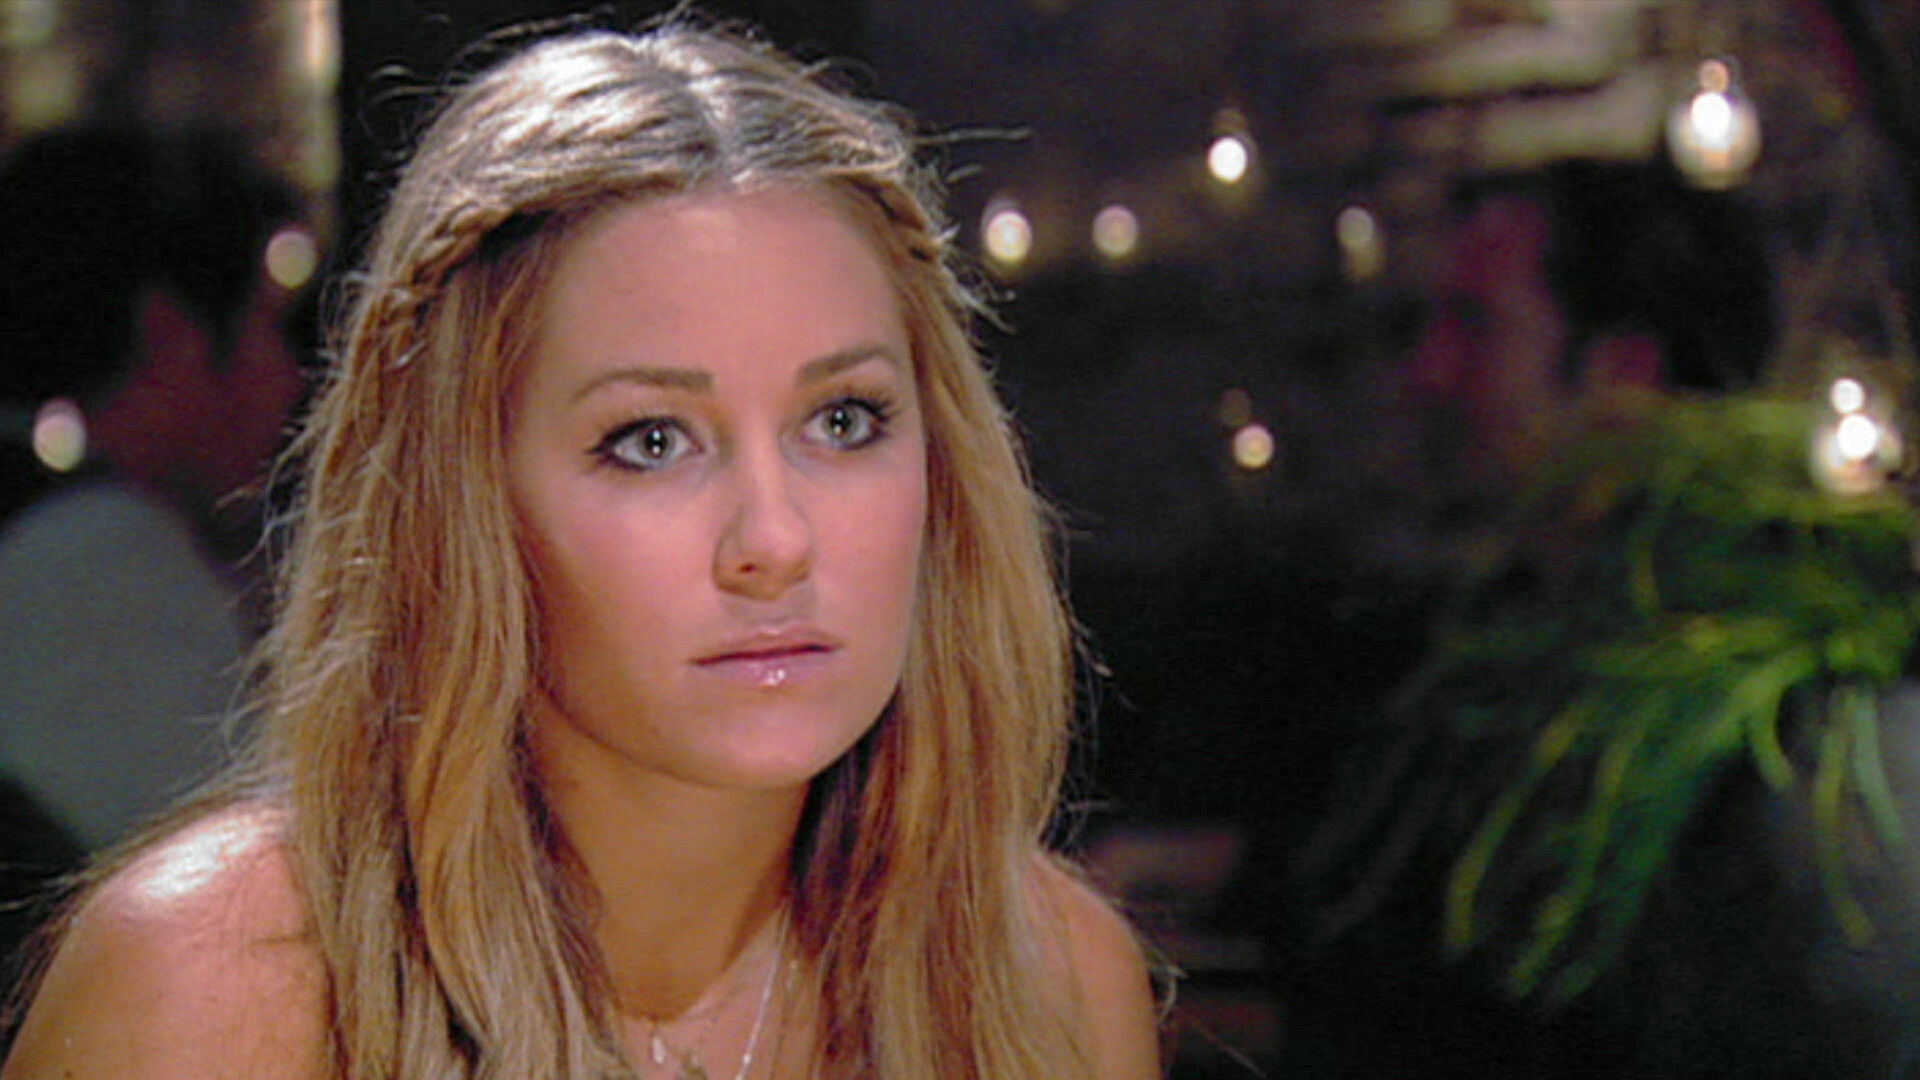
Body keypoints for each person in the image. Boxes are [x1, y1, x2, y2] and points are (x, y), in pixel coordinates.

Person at [2, 19, 1160, 1080]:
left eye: (844, 421)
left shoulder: (1053, 985)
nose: (774, 540)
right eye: (651, 440)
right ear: (465, 502)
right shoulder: (210, 998)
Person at [0, 129, 307, 855]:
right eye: (266, 324)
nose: (291, 376)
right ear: (169, 333)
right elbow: (277, 870)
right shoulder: (92, 561)